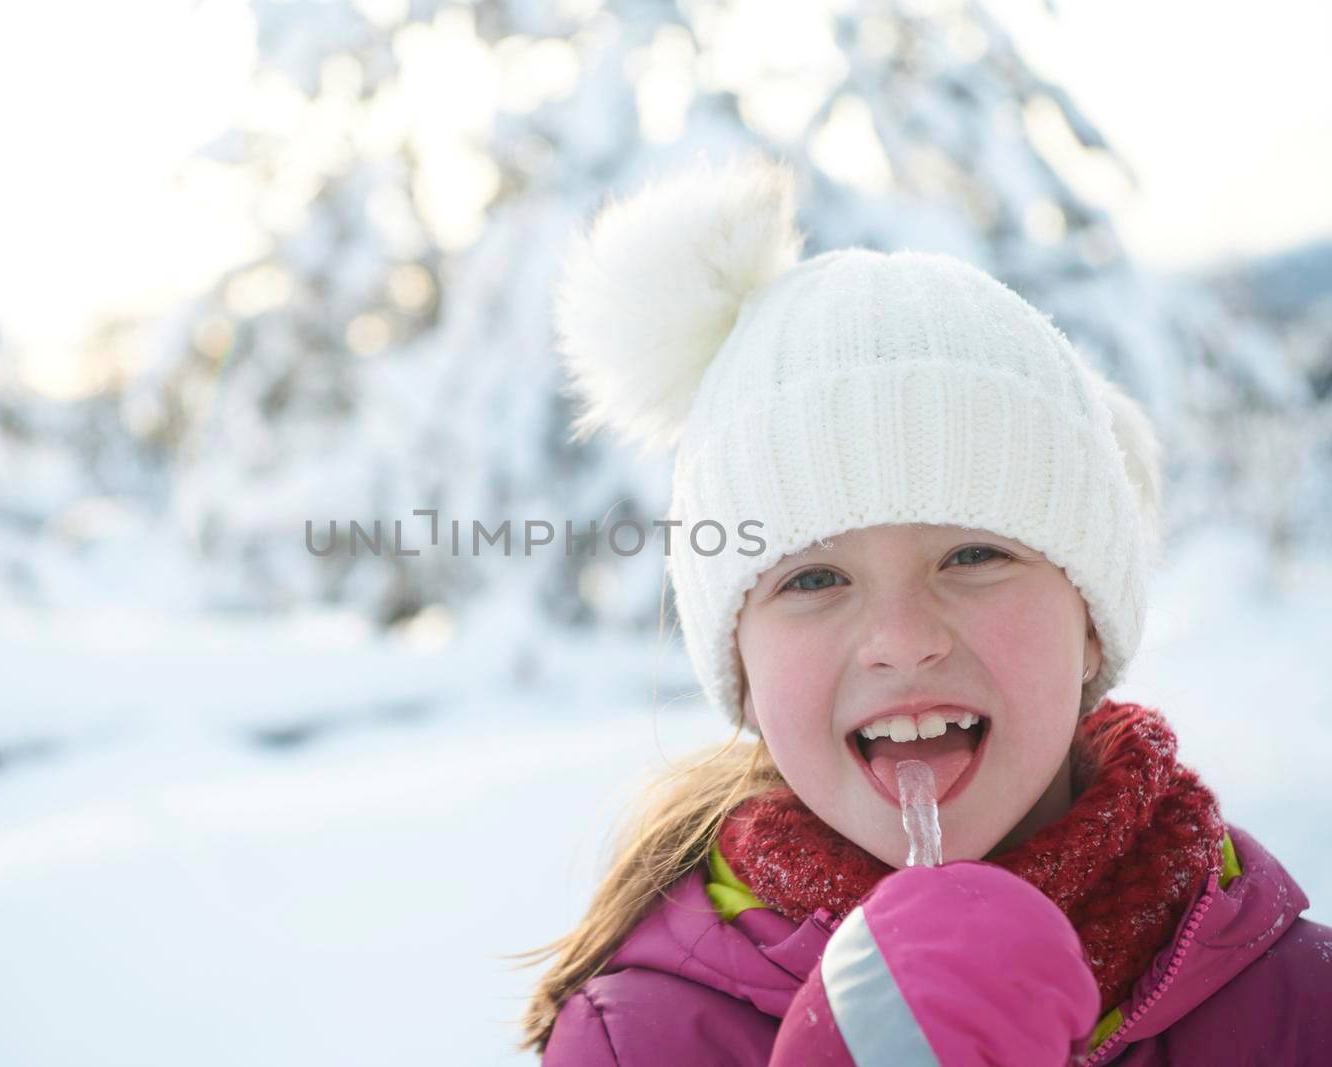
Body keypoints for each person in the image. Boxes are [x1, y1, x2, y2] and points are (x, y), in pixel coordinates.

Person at [513, 155, 1331, 1065]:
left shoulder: (1296, 1005)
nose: (903, 641)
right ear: (739, 665)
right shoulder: (644, 1041)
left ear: (1092, 615)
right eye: (814, 579)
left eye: (974, 555)